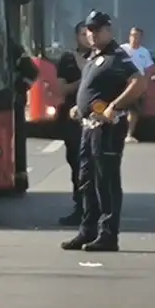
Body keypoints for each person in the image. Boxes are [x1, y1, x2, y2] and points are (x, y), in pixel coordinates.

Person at [61, 10, 148, 253]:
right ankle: (87, 230)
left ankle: (108, 235)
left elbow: (139, 83)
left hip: (107, 129)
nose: (92, 34)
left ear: (109, 31)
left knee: (105, 181)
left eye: (97, 29)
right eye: (89, 30)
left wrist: (114, 106)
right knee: (86, 180)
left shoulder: (117, 56)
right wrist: (80, 108)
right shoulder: (93, 57)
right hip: (88, 127)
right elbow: (93, 89)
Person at [54, 21, 91, 226]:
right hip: (72, 121)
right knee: (76, 164)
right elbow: (62, 89)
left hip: (96, 120)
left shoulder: (103, 57)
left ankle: (97, 210)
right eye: (83, 34)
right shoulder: (67, 59)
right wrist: (84, 80)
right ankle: (80, 207)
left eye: (90, 33)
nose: (87, 37)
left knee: (94, 167)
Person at [10, 38, 39, 193]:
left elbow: (32, 72)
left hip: (12, 102)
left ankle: (19, 178)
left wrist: (21, 88)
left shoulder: (8, 44)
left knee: (17, 138)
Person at [120, 27, 154, 143]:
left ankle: (129, 135)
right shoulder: (122, 50)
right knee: (118, 109)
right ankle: (116, 134)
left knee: (133, 111)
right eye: (132, 35)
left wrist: (144, 83)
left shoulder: (144, 52)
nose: (134, 38)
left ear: (141, 38)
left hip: (137, 86)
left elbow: (148, 69)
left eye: (137, 36)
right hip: (122, 84)